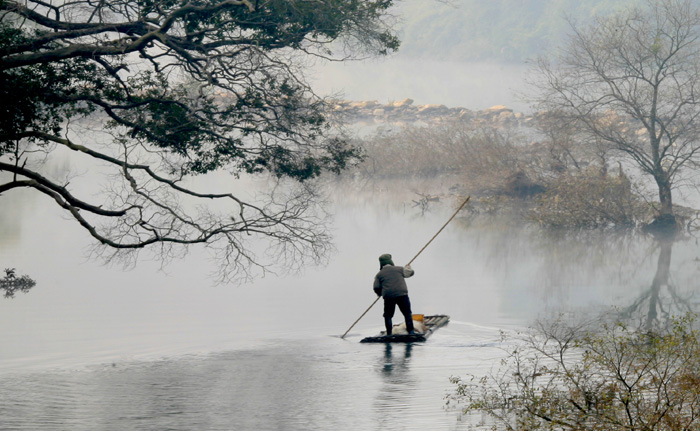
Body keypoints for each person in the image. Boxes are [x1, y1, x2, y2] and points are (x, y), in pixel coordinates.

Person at [373, 253, 415, 336]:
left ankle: (389, 333)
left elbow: (376, 287)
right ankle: (411, 332)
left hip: (389, 296)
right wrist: (408, 268)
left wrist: (379, 294)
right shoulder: (399, 269)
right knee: (407, 313)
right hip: (402, 294)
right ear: (391, 261)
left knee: (388, 315)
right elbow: (411, 273)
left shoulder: (379, 275)